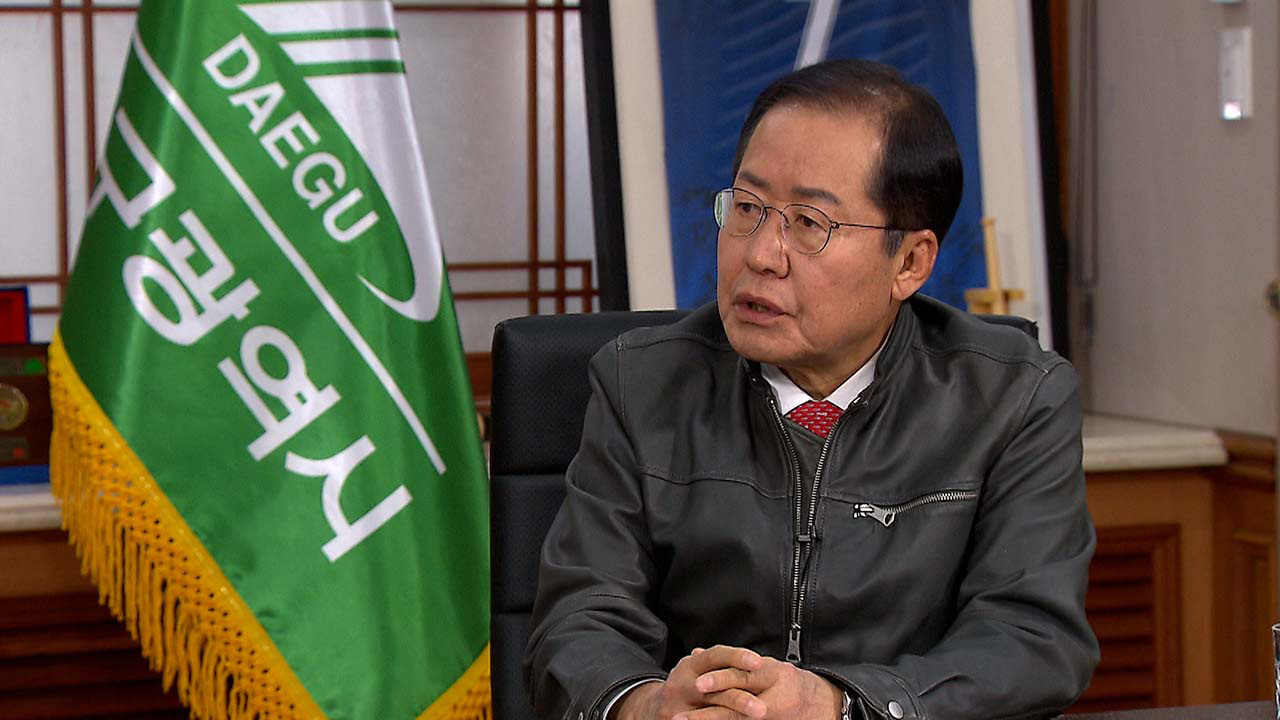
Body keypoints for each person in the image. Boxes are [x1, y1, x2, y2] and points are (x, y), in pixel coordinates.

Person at [525, 58, 1098, 720]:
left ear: (910, 262)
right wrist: (647, 706)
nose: (760, 254)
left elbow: (1032, 641)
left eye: (808, 223)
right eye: (747, 208)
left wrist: (840, 705)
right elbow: (581, 617)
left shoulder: (1015, 399)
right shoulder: (641, 382)